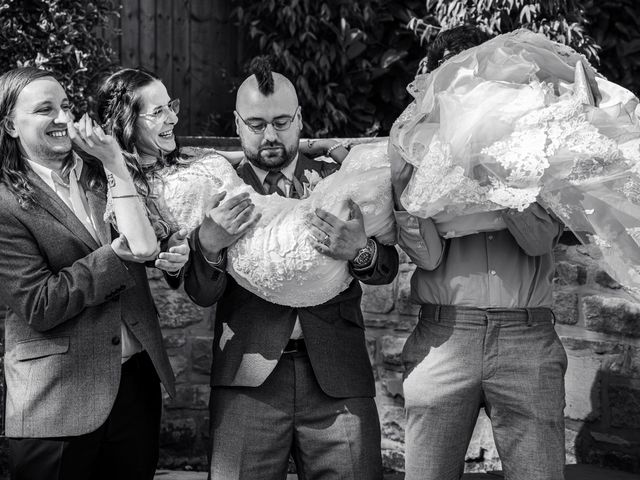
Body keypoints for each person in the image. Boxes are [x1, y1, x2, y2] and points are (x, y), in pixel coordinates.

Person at [183, 59, 399, 479]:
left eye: (282, 122)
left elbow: (386, 266)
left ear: (300, 117)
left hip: (338, 379)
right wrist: (208, 244)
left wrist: (361, 250)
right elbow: (201, 293)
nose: (270, 135)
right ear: (238, 123)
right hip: (248, 378)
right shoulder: (216, 187)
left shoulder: (340, 178)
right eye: (257, 123)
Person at [390, 27, 568, 480]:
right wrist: (403, 185)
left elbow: (539, 241)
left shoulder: (534, 136)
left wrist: (491, 168)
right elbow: (427, 257)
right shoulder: (418, 141)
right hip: (444, 336)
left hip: (526, 338)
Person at [0, 67, 176, 480]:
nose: (62, 118)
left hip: (134, 387)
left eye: (65, 106)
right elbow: (39, 304)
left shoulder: (103, 172)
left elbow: (152, 235)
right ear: (10, 124)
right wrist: (115, 257)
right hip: (56, 400)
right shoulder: (5, 204)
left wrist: (174, 250)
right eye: (45, 110)